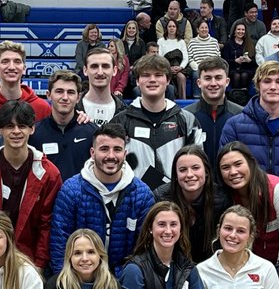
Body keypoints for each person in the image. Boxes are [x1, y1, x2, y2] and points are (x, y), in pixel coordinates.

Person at [0, 100, 61, 269]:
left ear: (32, 129)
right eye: (9, 126)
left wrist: (38, 266)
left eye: (22, 126)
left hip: (29, 263)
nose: (16, 131)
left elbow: (47, 226)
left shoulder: (49, 174)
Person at [49, 123, 155, 274]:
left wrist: (119, 281)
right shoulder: (71, 191)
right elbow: (59, 243)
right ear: (92, 153)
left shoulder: (142, 194)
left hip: (124, 279)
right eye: (104, 149)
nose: (111, 156)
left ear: (125, 154)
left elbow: (145, 248)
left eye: (117, 149)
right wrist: (66, 281)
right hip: (80, 276)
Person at [220, 60, 279, 186]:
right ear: (258, 85)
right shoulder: (234, 125)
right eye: (267, 81)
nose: (273, 87)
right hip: (247, 196)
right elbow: (228, 167)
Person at [115, 54, 203, 190]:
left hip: (175, 198)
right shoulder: (120, 121)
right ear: (137, 81)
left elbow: (197, 165)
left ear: (168, 80)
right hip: (134, 197)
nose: (152, 80)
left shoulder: (187, 120)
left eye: (158, 75)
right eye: (146, 75)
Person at [216, 141, 279, 263]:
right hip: (244, 266)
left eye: (238, 164)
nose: (233, 172)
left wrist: (276, 271)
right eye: (225, 168)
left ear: (251, 163)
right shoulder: (224, 197)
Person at [155, 143, 228, 263]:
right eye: (183, 170)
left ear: (206, 171)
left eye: (195, 168)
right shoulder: (161, 197)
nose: (189, 174)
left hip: (210, 265)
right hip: (171, 263)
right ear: (176, 175)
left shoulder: (221, 199)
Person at [32, 70, 96, 181]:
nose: (65, 97)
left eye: (70, 92)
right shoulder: (34, 134)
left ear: (78, 97)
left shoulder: (92, 133)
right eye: (59, 91)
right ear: (48, 95)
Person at [188, 57, 243, 168]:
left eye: (218, 78)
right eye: (208, 78)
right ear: (199, 83)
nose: (213, 83)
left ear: (227, 82)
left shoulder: (241, 115)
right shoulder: (187, 116)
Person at [0, 41, 51, 121]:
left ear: (24, 68)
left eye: (17, 62)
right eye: (5, 61)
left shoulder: (42, 107)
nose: (11, 67)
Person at [78, 49, 125, 126]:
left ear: (114, 70)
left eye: (105, 66)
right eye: (94, 66)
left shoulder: (124, 113)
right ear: (85, 70)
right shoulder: (73, 109)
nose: (100, 72)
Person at [221, 20, 257, 101]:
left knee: (244, 75)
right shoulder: (228, 44)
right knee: (236, 75)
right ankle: (235, 97)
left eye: (243, 30)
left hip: (247, 68)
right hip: (233, 68)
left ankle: (244, 97)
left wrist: (249, 60)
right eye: (238, 29)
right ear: (234, 31)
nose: (241, 31)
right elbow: (224, 60)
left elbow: (255, 62)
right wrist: (235, 61)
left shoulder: (250, 44)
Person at [156, 17, 190, 98]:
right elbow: (159, 57)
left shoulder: (181, 42)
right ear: (166, 28)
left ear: (177, 28)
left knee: (181, 77)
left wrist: (180, 67)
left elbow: (185, 58)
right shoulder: (161, 41)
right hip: (165, 68)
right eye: (169, 26)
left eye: (173, 26)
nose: (171, 28)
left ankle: (183, 100)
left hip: (178, 68)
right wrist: (168, 68)